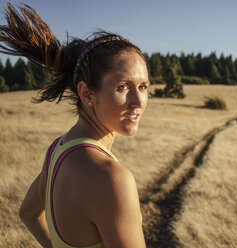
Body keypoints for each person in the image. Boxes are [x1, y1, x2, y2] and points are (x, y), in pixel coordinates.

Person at [0, 3, 149, 248]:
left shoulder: (58, 150)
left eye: (143, 86)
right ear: (87, 94)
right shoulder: (110, 178)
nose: (138, 101)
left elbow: (28, 213)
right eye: (122, 86)